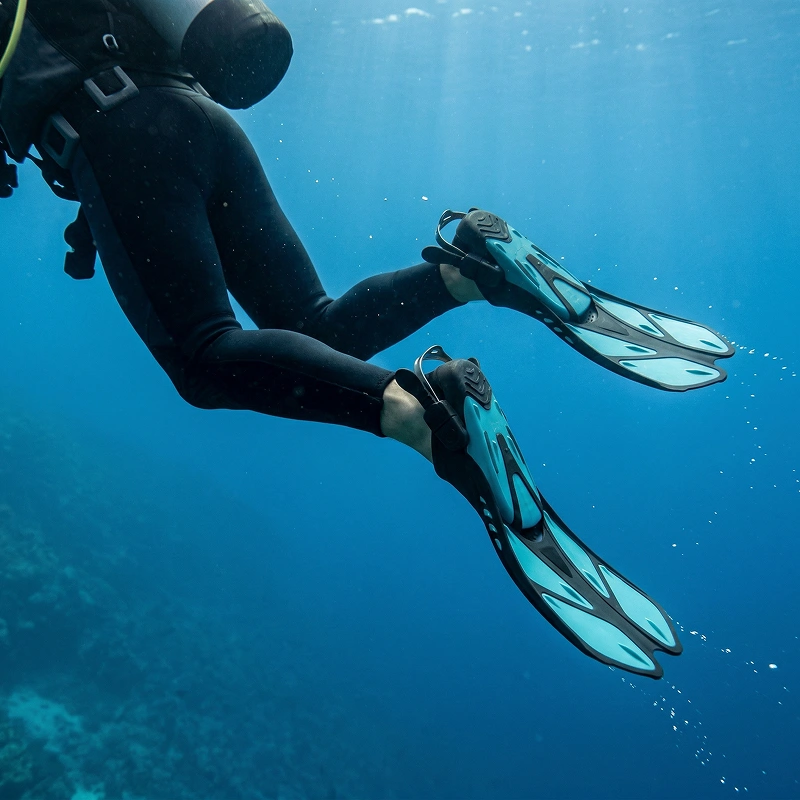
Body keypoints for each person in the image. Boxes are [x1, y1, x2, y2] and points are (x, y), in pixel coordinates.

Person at [0, 0, 734, 677]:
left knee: (202, 354)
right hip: (198, 117)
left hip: (118, 135)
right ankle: (473, 270)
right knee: (312, 325)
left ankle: (428, 416)